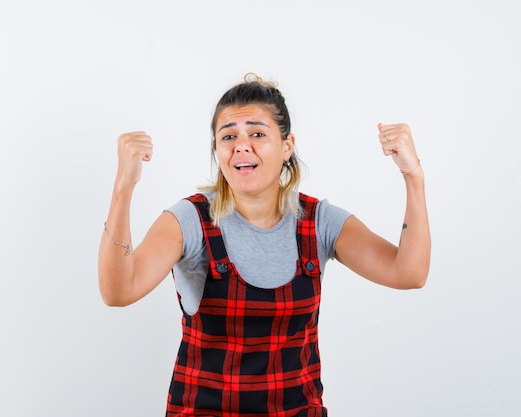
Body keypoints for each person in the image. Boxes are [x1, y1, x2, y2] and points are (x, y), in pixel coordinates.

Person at [98, 73, 431, 417]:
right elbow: (118, 291)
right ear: (217, 149)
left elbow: (408, 272)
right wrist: (124, 185)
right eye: (228, 136)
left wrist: (413, 176)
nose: (242, 145)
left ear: (287, 145)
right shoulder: (189, 220)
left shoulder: (320, 221)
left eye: (257, 133)